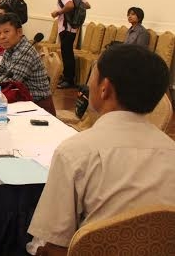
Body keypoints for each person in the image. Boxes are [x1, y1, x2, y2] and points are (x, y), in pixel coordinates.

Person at [29, 44, 175, 256]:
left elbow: (55, 244)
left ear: (104, 88)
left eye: (92, 75)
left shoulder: (74, 152)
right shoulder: (170, 150)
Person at [0, 13, 55, 115]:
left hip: (39, 107)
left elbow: (11, 82)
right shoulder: (9, 48)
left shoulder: (25, 51)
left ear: (19, 32)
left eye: (6, 32)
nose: (2, 37)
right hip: (22, 101)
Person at [50, 0, 91, 88]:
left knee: (66, 54)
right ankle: (67, 77)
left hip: (66, 28)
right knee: (68, 53)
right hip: (72, 28)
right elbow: (87, 5)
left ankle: (68, 80)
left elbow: (70, 5)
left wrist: (58, 12)